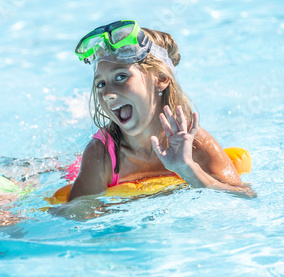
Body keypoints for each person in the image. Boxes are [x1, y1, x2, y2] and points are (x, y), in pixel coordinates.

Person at [67, 20, 255, 202]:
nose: (107, 93)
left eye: (121, 76)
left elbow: (246, 195)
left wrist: (188, 169)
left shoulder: (192, 141)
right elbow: (75, 216)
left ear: (161, 79)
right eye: (100, 83)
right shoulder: (101, 155)